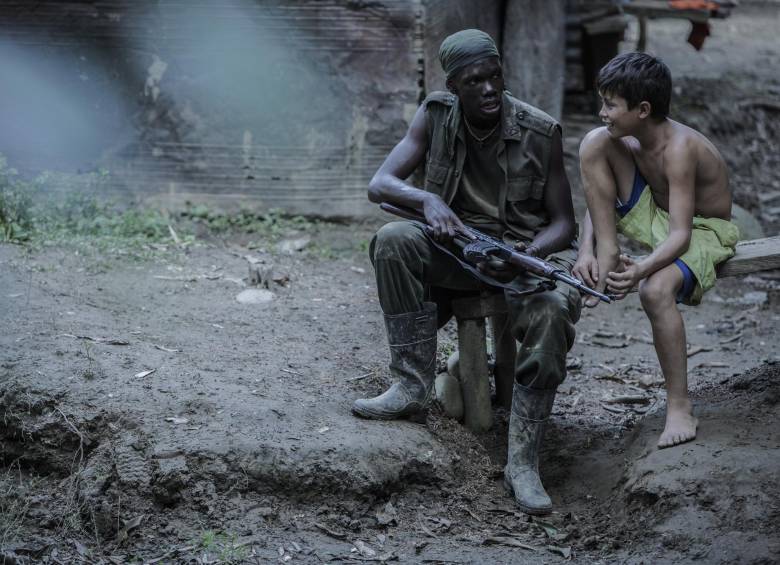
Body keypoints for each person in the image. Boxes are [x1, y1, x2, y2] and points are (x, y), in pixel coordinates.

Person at [351, 29, 582, 515]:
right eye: (474, 81)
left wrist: (522, 252)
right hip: (455, 250)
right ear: (454, 86)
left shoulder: (540, 131)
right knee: (393, 240)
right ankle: (411, 385)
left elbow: (563, 223)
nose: (489, 89)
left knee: (554, 307)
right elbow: (380, 184)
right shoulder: (436, 115)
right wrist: (427, 199)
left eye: (494, 76)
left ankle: (522, 460)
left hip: (517, 255)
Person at [574, 52, 740, 449]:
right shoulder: (628, 139)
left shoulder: (680, 148)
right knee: (592, 143)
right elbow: (599, 195)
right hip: (661, 217)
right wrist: (588, 250)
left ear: (642, 109)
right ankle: (610, 252)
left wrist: (643, 268)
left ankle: (679, 405)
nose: (603, 112)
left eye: (611, 105)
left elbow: (682, 234)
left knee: (653, 290)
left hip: (703, 230)